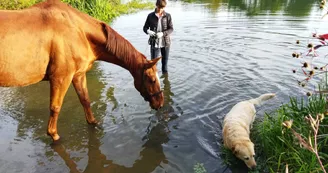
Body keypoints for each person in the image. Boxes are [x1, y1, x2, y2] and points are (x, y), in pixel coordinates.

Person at [143, 0, 173, 74]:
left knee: (165, 66)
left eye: (162, 8)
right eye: (159, 7)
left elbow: (171, 29)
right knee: (153, 65)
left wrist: (162, 33)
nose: (160, 10)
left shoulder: (168, 16)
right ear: (156, 5)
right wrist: (148, 31)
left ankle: (165, 82)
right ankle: (154, 82)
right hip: (154, 43)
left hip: (166, 43)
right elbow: (145, 28)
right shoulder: (150, 16)